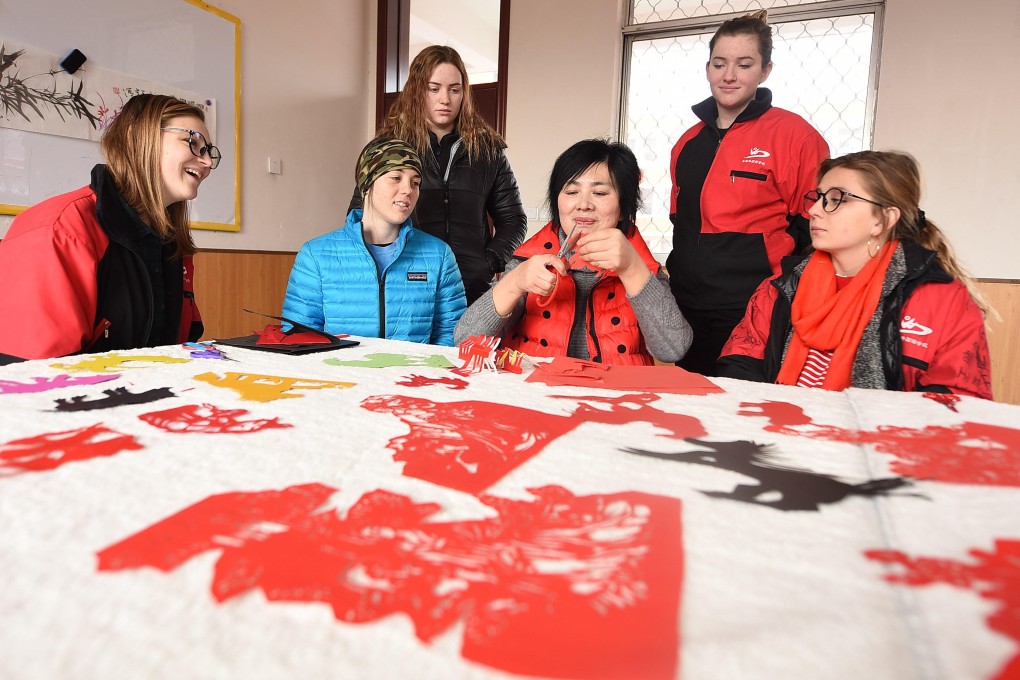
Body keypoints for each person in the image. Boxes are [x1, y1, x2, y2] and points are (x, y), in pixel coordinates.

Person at [718, 150, 993, 399]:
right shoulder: (779, 287)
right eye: (818, 197)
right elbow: (739, 366)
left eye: (837, 199)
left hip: (880, 449)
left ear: (882, 219)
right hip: (780, 444)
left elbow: (958, 404)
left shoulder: (943, 299)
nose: (814, 210)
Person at [666, 10, 830, 376]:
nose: (728, 76)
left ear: (765, 71)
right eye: (719, 63)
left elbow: (813, 231)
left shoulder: (796, 136)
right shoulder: (687, 143)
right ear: (707, 67)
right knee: (689, 412)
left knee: (744, 415)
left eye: (744, 64)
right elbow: (682, 223)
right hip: (688, 308)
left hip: (753, 310)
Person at [0, 94, 211, 363]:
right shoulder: (58, 229)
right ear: (138, 138)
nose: (206, 163)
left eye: (209, 151)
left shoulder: (171, 243)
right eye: (192, 142)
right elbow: (30, 375)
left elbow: (180, 346)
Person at [455, 139, 692, 366]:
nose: (584, 204)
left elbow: (672, 350)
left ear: (623, 208)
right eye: (571, 192)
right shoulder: (529, 261)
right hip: (538, 396)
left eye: (599, 193)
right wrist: (514, 283)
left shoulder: (641, 266)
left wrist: (631, 269)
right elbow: (465, 339)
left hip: (614, 400)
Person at [350, 45, 527, 305]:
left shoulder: (488, 150)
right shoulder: (390, 147)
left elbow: (513, 218)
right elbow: (358, 213)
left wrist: (488, 261)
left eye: (454, 90)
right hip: (406, 287)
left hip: (472, 287)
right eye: (434, 89)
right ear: (417, 91)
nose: (445, 99)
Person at [283, 138, 466, 346]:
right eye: (396, 177)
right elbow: (298, 338)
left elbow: (451, 335)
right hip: (342, 376)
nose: (408, 190)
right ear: (367, 183)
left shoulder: (439, 255)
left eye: (415, 183)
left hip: (412, 376)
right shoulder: (315, 255)